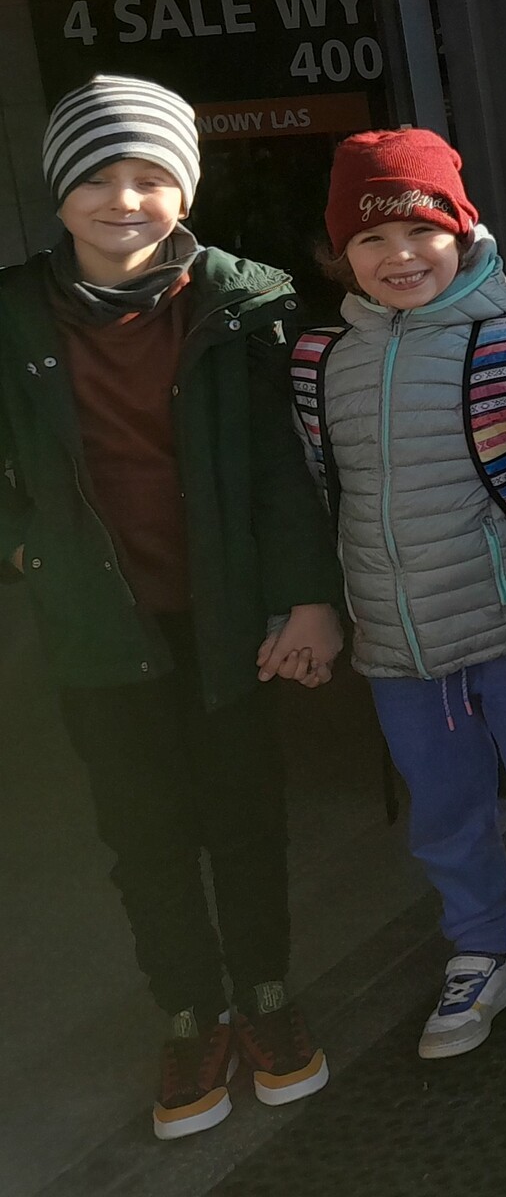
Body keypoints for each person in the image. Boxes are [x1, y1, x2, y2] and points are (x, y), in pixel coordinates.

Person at [0, 76, 341, 1140]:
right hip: (99, 626)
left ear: (185, 190)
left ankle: (268, 996)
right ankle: (190, 1014)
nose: (125, 199)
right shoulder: (11, 314)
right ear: (57, 191)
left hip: (226, 613)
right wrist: (22, 546)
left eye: (151, 176)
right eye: (97, 176)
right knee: (142, 830)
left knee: (244, 815)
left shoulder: (246, 301)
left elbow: (287, 468)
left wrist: (307, 599)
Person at [313, 129, 506, 1063]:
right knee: (444, 816)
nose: (400, 256)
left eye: (421, 231)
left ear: (463, 233)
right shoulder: (323, 363)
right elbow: (325, 503)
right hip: (399, 653)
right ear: (341, 253)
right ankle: (482, 950)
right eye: (371, 239)